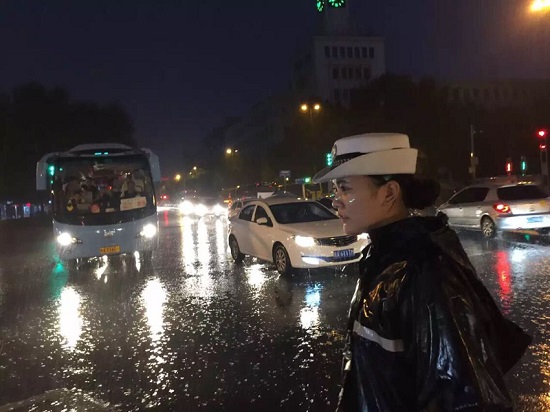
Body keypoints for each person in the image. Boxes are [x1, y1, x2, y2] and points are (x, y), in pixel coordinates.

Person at [312, 133, 531, 411]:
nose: (336, 201)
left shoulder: (424, 270)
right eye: (335, 190)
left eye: (345, 188)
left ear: (389, 193)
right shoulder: (382, 256)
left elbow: (462, 397)